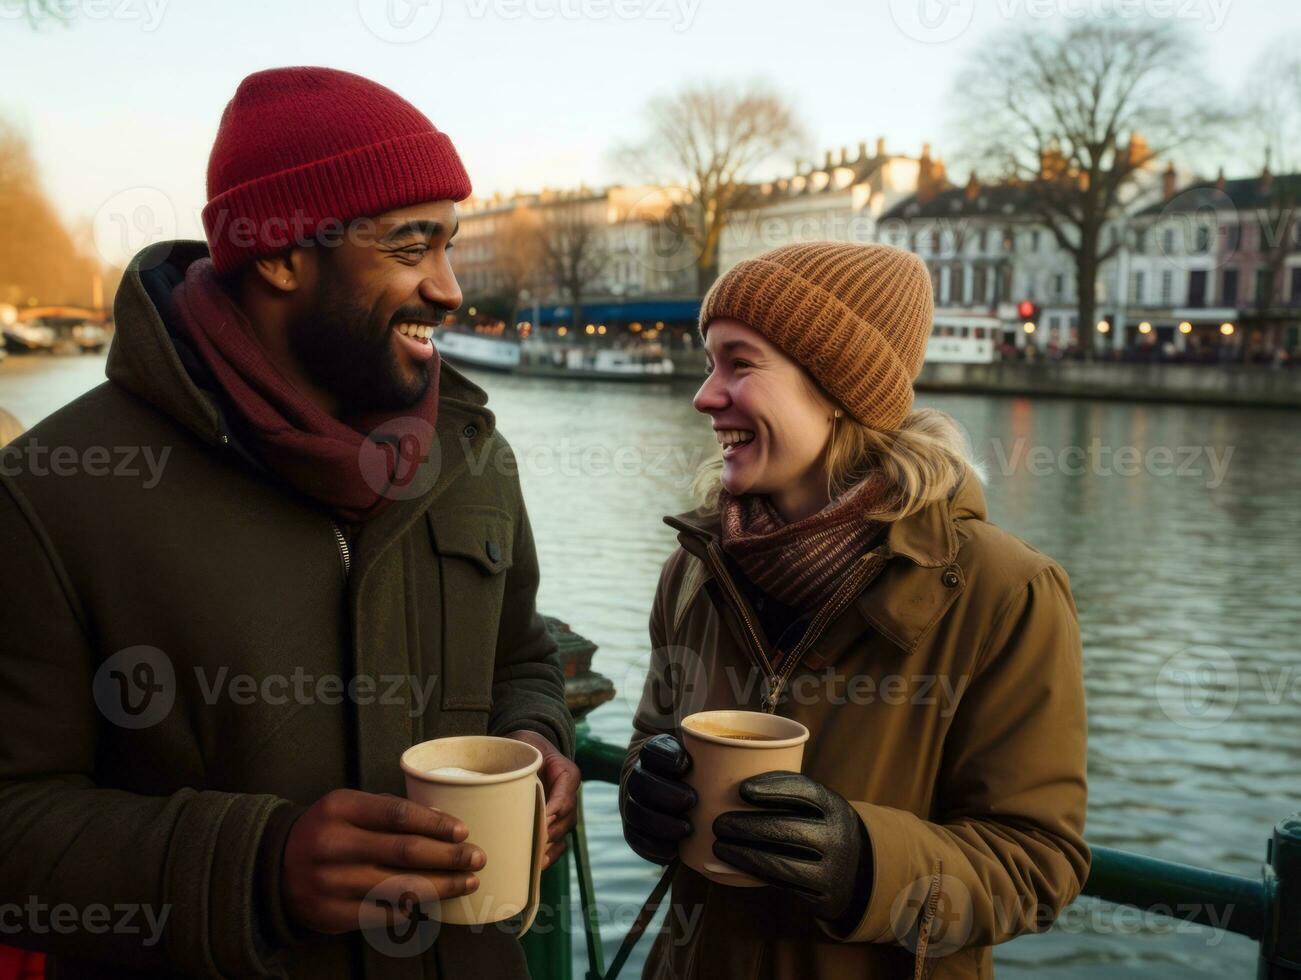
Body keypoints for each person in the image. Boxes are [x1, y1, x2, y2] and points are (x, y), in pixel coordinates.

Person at [0, 67, 577, 979]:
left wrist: (538, 741)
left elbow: (523, 656)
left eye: (450, 244)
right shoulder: (49, 493)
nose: (450, 288)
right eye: (410, 246)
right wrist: (256, 868)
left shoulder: (469, 451)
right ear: (278, 256)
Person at [620, 242, 1089, 979]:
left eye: (739, 364)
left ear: (840, 387)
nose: (704, 395)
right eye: (710, 363)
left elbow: (1037, 865)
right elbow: (650, 736)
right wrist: (643, 789)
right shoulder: (695, 566)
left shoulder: (1005, 591)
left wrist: (867, 864)